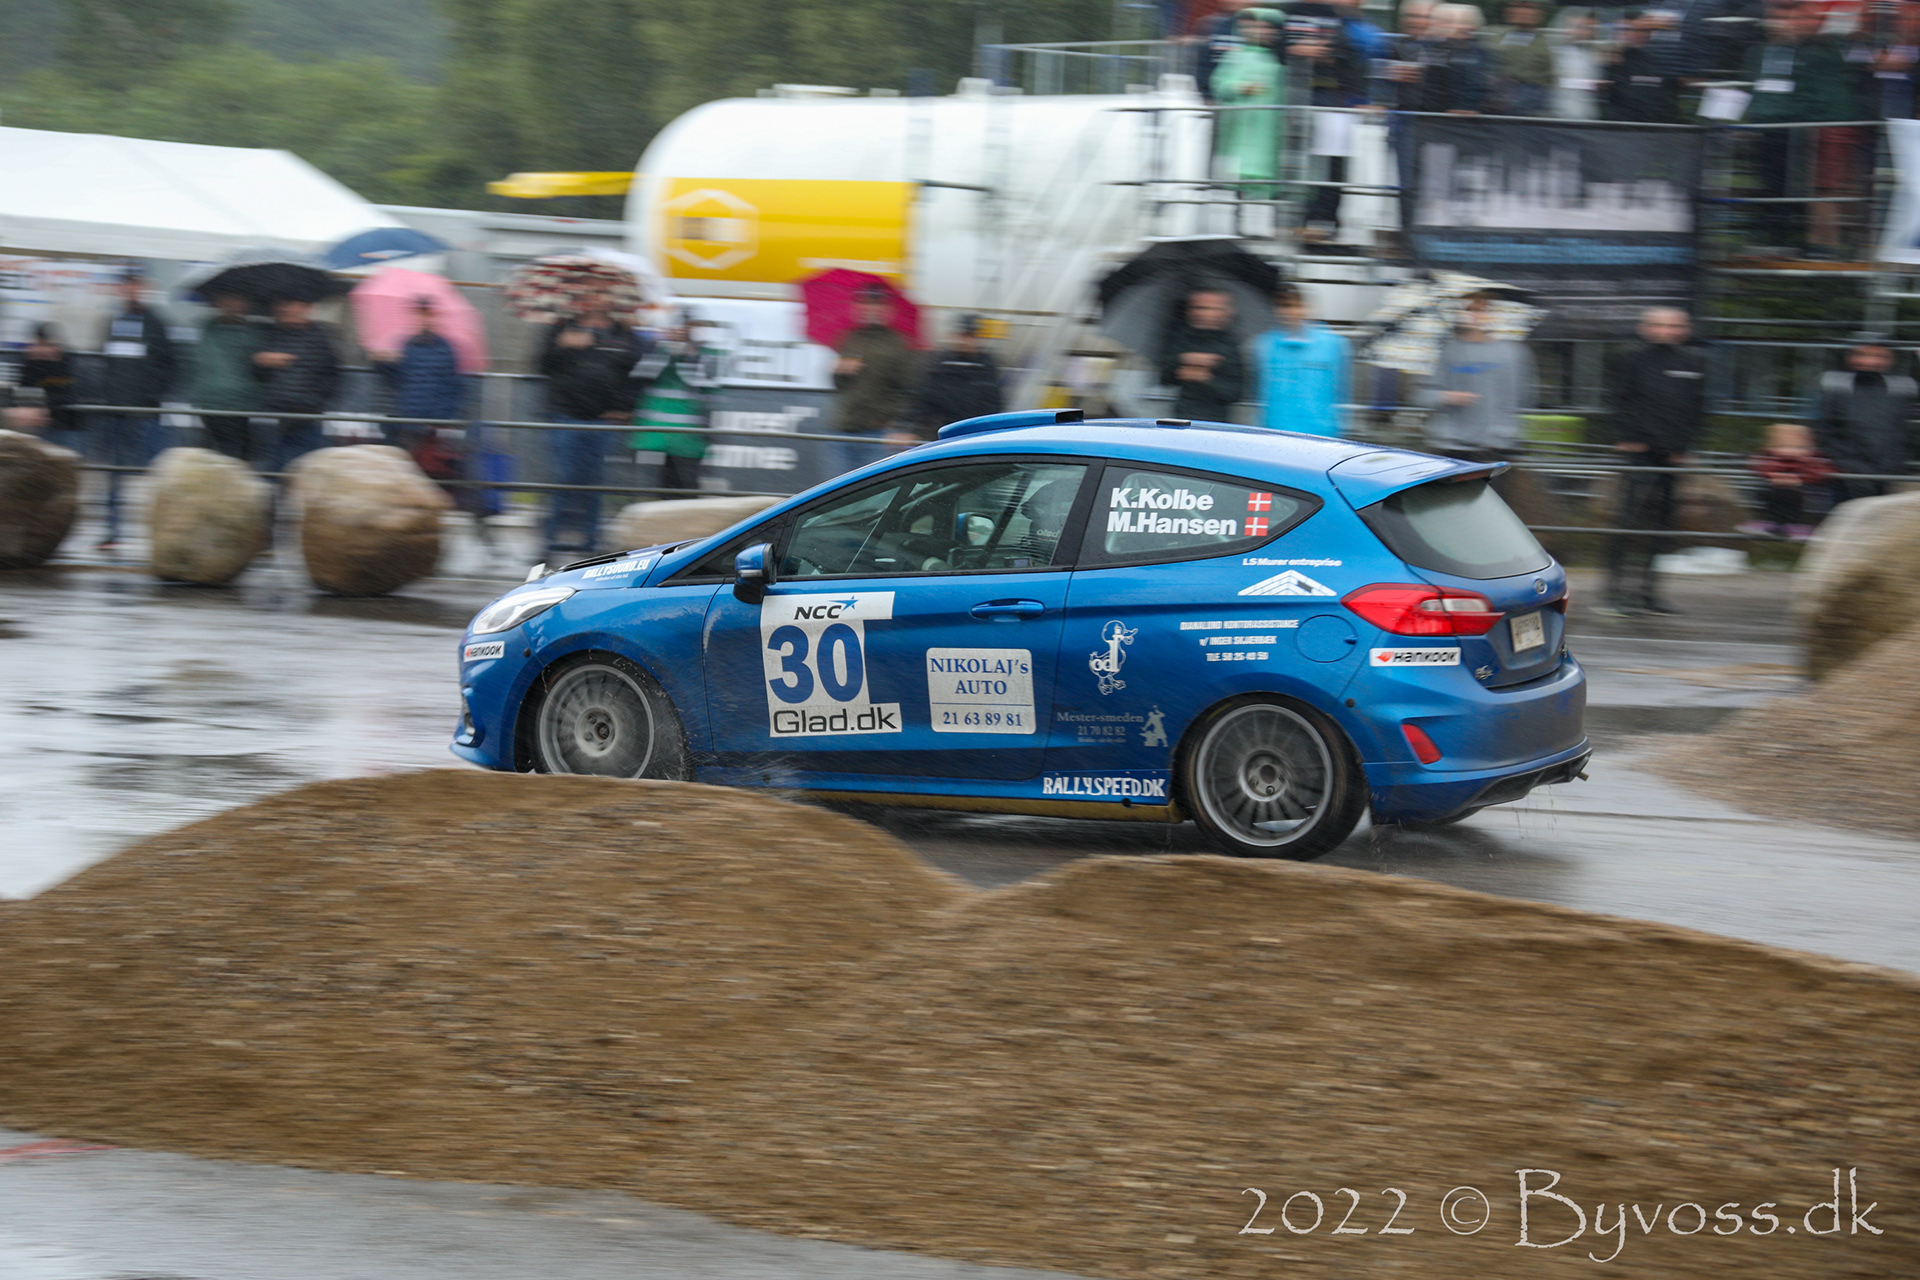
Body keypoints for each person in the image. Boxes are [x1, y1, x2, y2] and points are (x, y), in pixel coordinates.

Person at [1601, 306, 1706, 616]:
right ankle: (1616, 591)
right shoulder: (1630, 358)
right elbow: (1617, 400)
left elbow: (1696, 407)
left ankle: (1648, 592)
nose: (1666, 331)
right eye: (1659, 325)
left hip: (1671, 456)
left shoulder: (1693, 362)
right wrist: (1628, 436)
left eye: (1673, 326)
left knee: (1662, 527)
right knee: (1630, 522)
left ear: (1684, 329)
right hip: (1640, 453)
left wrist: (1683, 446)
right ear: (1645, 328)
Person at [1743, 0, 1867, 257]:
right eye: (1779, 16)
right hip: (1791, 127)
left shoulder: (1821, 50)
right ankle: (1805, 241)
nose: (1784, 23)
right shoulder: (1761, 51)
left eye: (1792, 16)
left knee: (1824, 186)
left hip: (1824, 125)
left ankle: (1827, 246)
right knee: (1794, 185)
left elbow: (1816, 93)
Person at [539, 289, 648, 557]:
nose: (597, 297)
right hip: (565, 415)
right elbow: (541, 366)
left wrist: (623, 407)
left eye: (602, 291)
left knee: (595, 484)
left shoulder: (623, 333)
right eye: (590, 290)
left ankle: (590, 543)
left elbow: (638, 373)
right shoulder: (562, 327)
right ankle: (549, 541)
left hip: (603, 419)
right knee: (563, 480)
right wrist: (562, 345)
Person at [372, 300, 482, 524]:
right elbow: (398, 381)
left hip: (433, 422)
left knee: (430, 472)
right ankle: (408, 516)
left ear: (435, 318)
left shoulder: (446, 348)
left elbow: (454, 387)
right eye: (419, 315)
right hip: (409, 419)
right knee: (408, 471)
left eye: (427, 315)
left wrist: (443, 419)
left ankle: (428, 518)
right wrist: (382, 364)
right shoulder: (406, 345)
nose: (423, 320)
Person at [95, 267, 178, 551]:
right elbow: (106, 362)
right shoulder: (113, 321)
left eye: (136, 284)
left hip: (146, 413)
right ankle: (112, 531)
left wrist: (151, 397)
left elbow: (170, 365)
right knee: (114, 474)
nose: (131, 290)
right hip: (115, 412)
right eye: (126, 284)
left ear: (144, 287)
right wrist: (107, 396)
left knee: (156, 475)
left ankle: (164, 535)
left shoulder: (157, 323)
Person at [1419, 291, 1534, 460]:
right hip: (1453, 448)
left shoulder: (1514, 353)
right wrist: (1447, 397)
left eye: (1484, 310)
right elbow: (1421, 395)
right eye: (1470, 310)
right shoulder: (1446, 351)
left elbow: (1525, 399)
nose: (1476, 316)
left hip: (1499, 446)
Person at [1810, 333, 1916, 505]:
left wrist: (1894, 464)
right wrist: (1845, 463)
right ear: (1850, 357)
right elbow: (1825, 429)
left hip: (1886, 470)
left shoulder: (1899, 387)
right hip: (1847, 471)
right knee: (1845, 511)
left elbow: (1901, 431)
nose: (1870, 361)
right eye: (1863, 354)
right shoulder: (1835, 384)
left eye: (1880, 356)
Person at [829, 285, 919, 474]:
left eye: (877, 304)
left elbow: (908, 388)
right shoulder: (850, 338)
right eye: (866, 303)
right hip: (845, 427)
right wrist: (839, 371)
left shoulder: (898, 343)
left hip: (878, 432)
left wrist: (901, 425)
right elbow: (839, 386)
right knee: (838, 487)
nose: (871, 308)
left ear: (887, 309)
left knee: (871, 486)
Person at [630, 312, 722, 494]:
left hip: (689, 436)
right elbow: (642, 375)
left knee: (687, 486)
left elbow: (701, 382)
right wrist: (665, 352)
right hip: (656, 435)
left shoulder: (707, 353)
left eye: (687, 327)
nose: (681, 331)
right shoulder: (657, 349)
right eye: (678, 327)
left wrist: (688, 355)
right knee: (662, 487)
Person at [254, 297, 342, 475]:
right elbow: (260, 375)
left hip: (305, 414)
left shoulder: (319, 337)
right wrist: (261, 362)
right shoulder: (274, 334)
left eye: (291, 305)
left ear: (306, 308)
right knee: (278, 465)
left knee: (302, 465)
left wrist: (313, 401)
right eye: (281, 305)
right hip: (277, 412)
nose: (285, 309)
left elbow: (330, 375)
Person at [1250, 284, 1350, 435]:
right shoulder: (1264, 345)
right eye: (1283, 306)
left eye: (1294, 306)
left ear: (1306, 308)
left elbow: (1342, 392)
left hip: (1320, 433)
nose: (1288, 312)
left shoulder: (1333, 345)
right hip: (1275, 431)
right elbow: (1258, 393)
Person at [1212, 8, 1288, 203]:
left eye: (1268, 28)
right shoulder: (1235, 57)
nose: (1262, 32)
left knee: (1262, 179)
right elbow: (1219, 85)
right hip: (1239, 128)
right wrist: (1239, 87)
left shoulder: (1278, 61)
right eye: (1258, 27)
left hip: (1267, 131)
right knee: (1238, 176)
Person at [190, 291, 264, 462]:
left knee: (235, 453)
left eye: (237, 300)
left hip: (241, 403)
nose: (232, 305)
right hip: (215, 401)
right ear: (218, 303)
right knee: (228, 454)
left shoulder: (253, 332)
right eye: (227, 300)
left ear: (246, 305)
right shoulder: (208, 328)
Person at [1159, 289, 1247, 423]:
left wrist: (1206, 379)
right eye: (1199, 308)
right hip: (1182, 417)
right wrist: (1183, 360)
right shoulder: (1181, 337)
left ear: (1226, 312)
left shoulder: (1231, 344)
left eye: (1214, 308)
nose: (1206, 314)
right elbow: (1164, 378)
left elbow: (1235, 393)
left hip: (1216, 421)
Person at [911, 314, 1005, 436]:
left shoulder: (987, 366)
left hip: (973, 432)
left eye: (969, 336)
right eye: (961, 335)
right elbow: (923, 398)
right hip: (940, 431)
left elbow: (992, 404)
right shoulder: (939, 363)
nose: (964, 340)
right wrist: (911, 428)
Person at [1741, 420, 1833, 539]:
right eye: (1783, 446)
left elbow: (1822, 472)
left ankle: (1789, 524)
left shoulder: (1812, 461)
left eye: (1799, 447)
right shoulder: (1770, 459)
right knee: (1776, 493)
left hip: (1805, 493)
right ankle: (1777, 523)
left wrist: (1800, 478)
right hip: (1775, 492)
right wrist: (1774, 475)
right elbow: (1760, 468)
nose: (1790, 451)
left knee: (1790, 494)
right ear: (1772, 447)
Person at [1604, 11, 1686, 123]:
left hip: (1657, 122)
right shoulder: (1611, 60)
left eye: (1639, 30)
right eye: (1624, 30)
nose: (1630, 34)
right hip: (1621, 123)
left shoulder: (1662, 58)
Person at [1485, 0, 1557, 114]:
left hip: (1532, 102)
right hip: (1498, 101)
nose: (1522, 12)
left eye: (1528, 7)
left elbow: (1551, 77)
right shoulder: (1493, 37)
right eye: (1517, 6)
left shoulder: (1549, 43)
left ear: (1539, 13)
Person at [19, 324, 81, 453]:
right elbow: (24, 388)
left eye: (44, 345)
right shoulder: (31, 362)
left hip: (65, 425)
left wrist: (42, 406)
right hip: (41, 426)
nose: (40, 350)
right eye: (37, 344)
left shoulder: (68, 363)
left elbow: (70, 394)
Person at [1549, 7, 1604, 119]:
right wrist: (1593, 84)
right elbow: (1557, 82)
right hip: (1560, 115)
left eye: (1590, 29)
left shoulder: (1596, 54)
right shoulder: (1557, 53)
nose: (1587, 32)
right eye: (1580, 27)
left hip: (1588, 117)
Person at [1196, 0, 1257, 101]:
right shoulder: (1214, 26)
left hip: (1251, 97)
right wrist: (1208, 95)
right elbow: (1205, 65)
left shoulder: (1262, 26)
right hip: (1220, 96)